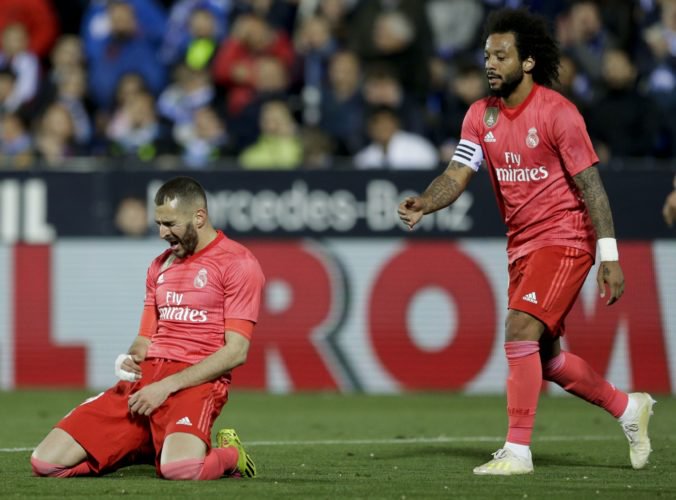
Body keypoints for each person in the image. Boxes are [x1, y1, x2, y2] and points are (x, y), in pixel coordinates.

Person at [397, 8, 655, 476]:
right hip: (522, 245)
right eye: (486, 55)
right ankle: (626, 407)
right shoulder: (480, 116)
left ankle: (517, 451)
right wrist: (426, 203)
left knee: (519, 329)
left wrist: (608, 255)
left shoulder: (559, 113)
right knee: (547, 358)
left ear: (528, 61)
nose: (490, 63)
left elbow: (592, 186)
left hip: (566, 238)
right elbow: (456, 174)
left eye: (501, 55)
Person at [31, 176, 265, 480]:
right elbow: (144, 339)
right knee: (45, 463)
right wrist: (132, 358)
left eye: (169, 224)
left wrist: (166, 387)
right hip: (146, 383)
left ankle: (232, 456)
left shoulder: (238, 263)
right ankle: (144, 445)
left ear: (199, 217)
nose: (161, 233)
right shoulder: (160, 266)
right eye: (158, 223)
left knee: (181, 470)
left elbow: (236, 351)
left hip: (194, 382)